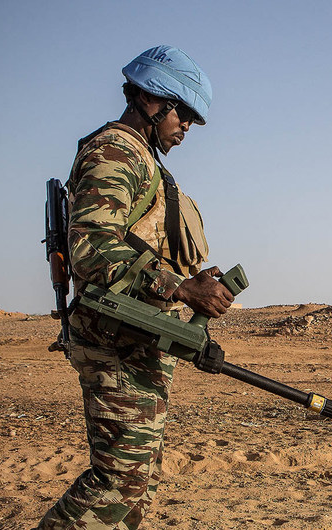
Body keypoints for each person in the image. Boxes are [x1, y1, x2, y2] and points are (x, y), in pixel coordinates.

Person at [39, 45, 234, 529]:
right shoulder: (115, 151)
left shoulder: (142, 157)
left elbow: (134, 246)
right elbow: (90, 249)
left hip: (138, 341)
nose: (186, 127)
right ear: (151, 100)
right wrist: (181, 289)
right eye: (183, 114)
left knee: (136, 487)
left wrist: (185, 286)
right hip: (115, 345)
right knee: (115, 482)